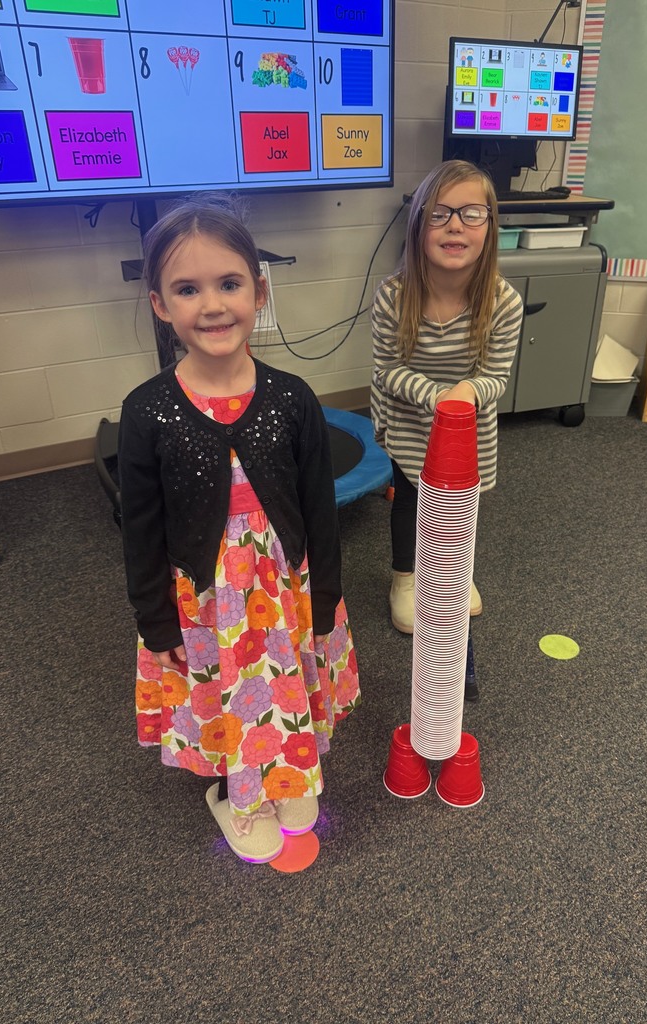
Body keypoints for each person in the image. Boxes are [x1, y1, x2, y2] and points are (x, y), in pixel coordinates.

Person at [118, 196, 360, 864]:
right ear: (160, 306)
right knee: (228, 688)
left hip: (283, 583)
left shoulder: (292, 398)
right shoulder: (147, 413)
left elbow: (319, 507)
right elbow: (138, 528)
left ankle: (282, 774)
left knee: (279, 681)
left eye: (228, 284)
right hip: (204, 597)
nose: (213, 305)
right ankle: (233, 790)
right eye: (187, 289)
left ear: (259, 291)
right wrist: (155, 621)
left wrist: (327, 596)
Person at [371, 159, 523, 635]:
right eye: (439, 213)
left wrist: (463, 397)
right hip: (409, 422)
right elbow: (386, 370)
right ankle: (405, 578)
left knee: (460, 509)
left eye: (471, 213)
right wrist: (438, 397)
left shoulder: (504, 302)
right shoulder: (394, 296)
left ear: (489, 227)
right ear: (419, 227)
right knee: (410, 502)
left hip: (468, 426)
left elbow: (495, 376)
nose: (455, 224)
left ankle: (453, 577)